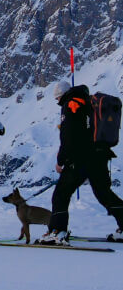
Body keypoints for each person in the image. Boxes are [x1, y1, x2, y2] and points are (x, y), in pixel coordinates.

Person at [38, 82, 123, 245]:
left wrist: (61, 161)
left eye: (57, 99)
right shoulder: (88, 103)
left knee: (60, 194)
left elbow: (68, 136)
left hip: (81, 159)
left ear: (60, 95)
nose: (58, 102)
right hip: (100, 156)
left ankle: (57, 231)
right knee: (104, 194)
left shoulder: (71, 103)